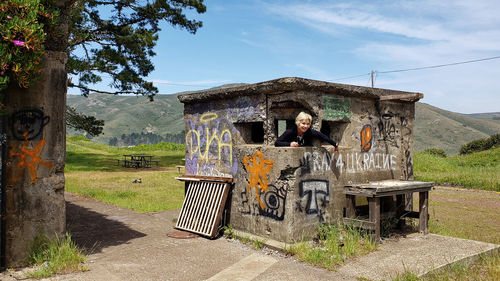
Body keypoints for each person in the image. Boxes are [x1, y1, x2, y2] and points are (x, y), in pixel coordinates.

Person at [275, 112, 339, 152]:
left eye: (308, 124)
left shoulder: (309, 131)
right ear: (298, 123)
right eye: (303, 123)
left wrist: (335, 145)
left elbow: (322, 136)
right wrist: (289, 144)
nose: (305, 126)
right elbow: (277, 142)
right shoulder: (290, 131)